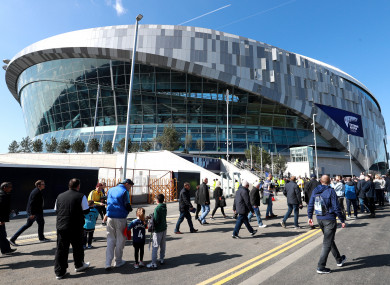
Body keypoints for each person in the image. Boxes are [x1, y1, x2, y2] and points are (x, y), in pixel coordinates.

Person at [307, 175, 346, 274]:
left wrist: (310, 217)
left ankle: (339, 259)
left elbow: (311, 204)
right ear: (329, 182)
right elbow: (336, 207)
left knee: (329, 240)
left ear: (320, 181)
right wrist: (342, 220)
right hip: (329, 219)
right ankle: (321, 266)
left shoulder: (316, 190)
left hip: (319, 218)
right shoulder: (331, 191)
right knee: (327, 243)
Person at [54, 178, 90, 280]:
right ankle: (79, 265)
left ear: (69, 186)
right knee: (77, 247)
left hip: (62, 226)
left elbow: (56, 210)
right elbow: (86, 211)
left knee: (61, 249)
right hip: (76, 226)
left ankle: (59, 272)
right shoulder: (81, 196)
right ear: (78, 186)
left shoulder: (60, 196)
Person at [103, 179, 133, 270]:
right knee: (120, 239)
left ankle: (108, 263)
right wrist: (129, 210)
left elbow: (107, 202)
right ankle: (118, 261)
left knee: (110, 240)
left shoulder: (110, 190)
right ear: (126, 184)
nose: (130, 188)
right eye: (130, 186)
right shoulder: (124, 191)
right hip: (120, 217)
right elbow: (127, 205)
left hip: (110, 217)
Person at [9, 180, 50, 246]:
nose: (44, 185)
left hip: (38, 212)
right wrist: (32, 214)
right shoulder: (36, 192)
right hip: (34, 213)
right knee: (27, 225)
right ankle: (12, 239)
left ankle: (41, 238)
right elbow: (32, 204)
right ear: (39, 185)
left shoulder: (38, 191)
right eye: (43, 184)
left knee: (41, 223)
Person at [147, 194, 167, 269]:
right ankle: (162, 258)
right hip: (164, 227)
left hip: (158, 229)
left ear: (157, 200)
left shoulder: (157, 209)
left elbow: (156, 220)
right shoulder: (164, 207)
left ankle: (153, 263)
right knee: (162, 244)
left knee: (155, 246)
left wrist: (150, 218)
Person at [0, 182, 17, 256]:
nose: (11, 188)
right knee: (2, 234)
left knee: (2, 234)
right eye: (9, 187)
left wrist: (10, 210)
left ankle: (6, 249)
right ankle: (6, 249)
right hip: (0, 219)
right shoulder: (2, 195)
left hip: (2, 219)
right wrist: (1, 220)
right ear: (4, 187)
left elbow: (5, 207)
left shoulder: (4, 194)